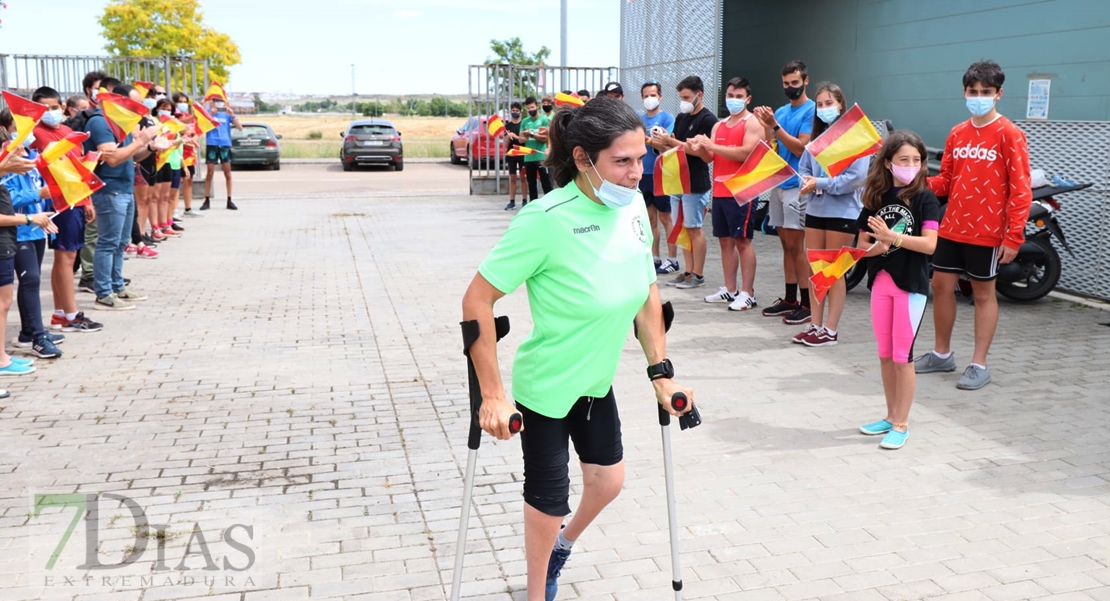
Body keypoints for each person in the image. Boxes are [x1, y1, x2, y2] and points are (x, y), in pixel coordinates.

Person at [461, 96, 693, 601]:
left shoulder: (632, 207)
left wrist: (662, 372)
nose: (637, 173)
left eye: (641, 158)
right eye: (623, 161)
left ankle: (561, 549)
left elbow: (646, 290)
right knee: (549, 500)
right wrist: (493, 394)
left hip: (595, 381)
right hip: (546, 387)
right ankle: (536, 588)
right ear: (585, 158)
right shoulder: (544, 219)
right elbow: (477, 299)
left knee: (608, 483)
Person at [916, 60, 1032, 390]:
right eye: (972, 91)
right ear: (964, 92)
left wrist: (1013, 236)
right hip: (951, 227)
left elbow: (1021, 189)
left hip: (988, 232)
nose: (978, 97)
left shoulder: (1010, 134)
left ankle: (979, 364)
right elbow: (948, 181)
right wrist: (915, 181)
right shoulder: (957, 132)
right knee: (940, 287)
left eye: (986, 92)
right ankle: (941, 354)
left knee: (983, 294)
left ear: (999, 94)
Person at [855, 131, 940, 450]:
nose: (911, 166)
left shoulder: (925, 198)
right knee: (884, 354)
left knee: (903, 357)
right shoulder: (876, 197)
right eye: (904, 160)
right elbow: (863, 245)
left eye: (917, 160)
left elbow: (930, 245)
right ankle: (890, 416)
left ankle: (902, 424)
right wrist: (879, 244)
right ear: (888, 163)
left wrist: (894, 238)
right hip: (880, 284)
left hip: (911, 285)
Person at [794, 82, 870, 346]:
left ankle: (831, 330)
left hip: (844, 212)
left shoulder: (855, 138)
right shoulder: (816, 139)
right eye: (821, 104)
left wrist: (820, 183)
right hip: (816, 210)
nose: (825, 108)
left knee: (834, 271)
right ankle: (815, 325)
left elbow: (855, 178)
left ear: (841, 105)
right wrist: (806, 181)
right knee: (817, 270)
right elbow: (804, 167)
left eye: (829, 103)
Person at [28, 87, 105, 332]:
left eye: (54, 107)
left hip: (75, 199)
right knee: (66, 256)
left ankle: (62, 313)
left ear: (62, 108)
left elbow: (79, 168)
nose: (50, 112)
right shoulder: (34, 134)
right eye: (44, 108)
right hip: (57, 200)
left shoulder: (69, 131)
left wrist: (87, 200)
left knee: (67, 256)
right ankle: (70, 314)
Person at [84, 82, 168, 310]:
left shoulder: (122, 123)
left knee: (121, 242)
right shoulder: (100, 121)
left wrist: (150, 148)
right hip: (109, 189)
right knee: (108, 242)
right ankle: (103, 293)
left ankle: (117, 286)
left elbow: (130, 156)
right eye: (134, 104)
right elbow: (111, 157)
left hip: (124, 187)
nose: (139, 109)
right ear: (118, 101)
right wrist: (141, 141)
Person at [687, 76, 764, 311]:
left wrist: (711, 147)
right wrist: (698, 149)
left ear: (748, 99)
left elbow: (745, 153)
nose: (734, 100)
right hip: (720, 191)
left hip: (742, 191)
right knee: (725, 242)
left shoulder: (753, 123)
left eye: (739, 96)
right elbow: (710, 157)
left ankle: (747, 292)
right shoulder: (719, 126)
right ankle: (730, 290)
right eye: (730, 95)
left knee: (743, 241)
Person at [754, 60, 816, 325]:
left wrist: (775, 126)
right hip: (780, 185)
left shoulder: (811, 110)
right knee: (785, 245)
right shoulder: (780, 111)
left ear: (805, 81)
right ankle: (790, 297)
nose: (790, 88)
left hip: (797, 185)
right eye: (785, 84)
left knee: (796, 246)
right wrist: (766, 125)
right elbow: (772, 146)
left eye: (794, 82)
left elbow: (802, 148)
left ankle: (807, 302)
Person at [0, 110, 66, 357]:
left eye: (30, 127)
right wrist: (37, 196)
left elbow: (39, 187)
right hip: (18, 230)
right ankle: (38, 337)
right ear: (7, 129)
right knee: (30, 281)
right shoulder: (6, 162)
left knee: (32, 281)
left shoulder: (34, 157)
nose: (27, 133)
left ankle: (28, 332)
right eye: (20, 127)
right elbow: (8, 198)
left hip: (37, 228)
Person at [657, 75, 717, 289]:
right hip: (677, 181)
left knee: (694, 227)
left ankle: (698, 274)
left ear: (699, 95)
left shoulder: (708, 120)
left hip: (695, 182)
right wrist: (661, 142)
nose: (683, 100)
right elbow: (676, 147)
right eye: (681, 96)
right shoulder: (682, 118)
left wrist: (671, 141)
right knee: (681, 228)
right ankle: (688, 270)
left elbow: (701, 151)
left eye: (686, 97)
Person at [72, 70, 109, 292]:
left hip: (102, 180)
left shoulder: (106, 117)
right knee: (92, 231)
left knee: (101, 232)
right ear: (89, 90)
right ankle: (89, 275)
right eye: (99, 88)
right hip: (86, 178)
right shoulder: (85, 117)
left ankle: (101, 274)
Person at [639, 79, 678, 275]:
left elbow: (667, 144)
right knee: (649, 218)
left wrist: (648, 139)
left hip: (661, 174)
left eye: (652, 95)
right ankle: (654, 257)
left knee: (666, 217)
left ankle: (672, 258)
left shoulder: (667, 119)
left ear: (660, 97)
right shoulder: (638, 120)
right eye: (646, 95)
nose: (649, 99)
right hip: (643, 174)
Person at [202, 93, 241, 210]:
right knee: (210, 172)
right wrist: (210, 114)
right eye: (216, 100)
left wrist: (232, 115)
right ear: (211, 101)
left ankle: (229, 199)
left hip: (225, 144)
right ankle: (207, 199)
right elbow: (201, 124)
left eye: (220, 100)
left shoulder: (227, 113)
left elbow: (240, 127)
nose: (218, 102)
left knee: (227, 172)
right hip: (212, 143)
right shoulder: (207, 112)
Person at [173, 92, 202, 217]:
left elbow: (195, 131)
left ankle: (188, 208)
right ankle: (174, 210)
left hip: (190, 154)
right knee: (175, 182)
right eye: (180, 101)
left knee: (188, 180)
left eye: (185, 102)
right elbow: (179, 125)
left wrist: (194, 138)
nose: (183, 104)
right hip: (178, 153)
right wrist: (193, 116)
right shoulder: (174, 116)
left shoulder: (190, 117)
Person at [519, 97, 552, 203]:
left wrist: (531, 134)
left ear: (537, 106)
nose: (530, 110)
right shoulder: (525, 121)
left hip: (541, 157)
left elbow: (544, 138)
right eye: (528, 108)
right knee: (531, 184)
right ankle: (533, 205)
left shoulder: (543, 120)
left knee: (546, 183)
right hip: (528, 157)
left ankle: (549, 204)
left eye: (532, 107)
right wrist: (526, 135)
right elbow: (521, 140)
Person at [504, 101, 529, 211]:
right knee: (512, 177)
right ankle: (512, 201)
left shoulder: (524, 124)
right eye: (513, 111)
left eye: (517, 111)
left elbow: (525, 140)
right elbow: (505, 143)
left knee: (523, 177)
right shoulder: (507, 126)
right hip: (511, 154)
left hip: (522, 153)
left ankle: (524, 200)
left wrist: (516, 136)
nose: (515, 113)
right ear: (510, 111)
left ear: (521, 111)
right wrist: (508, 137)